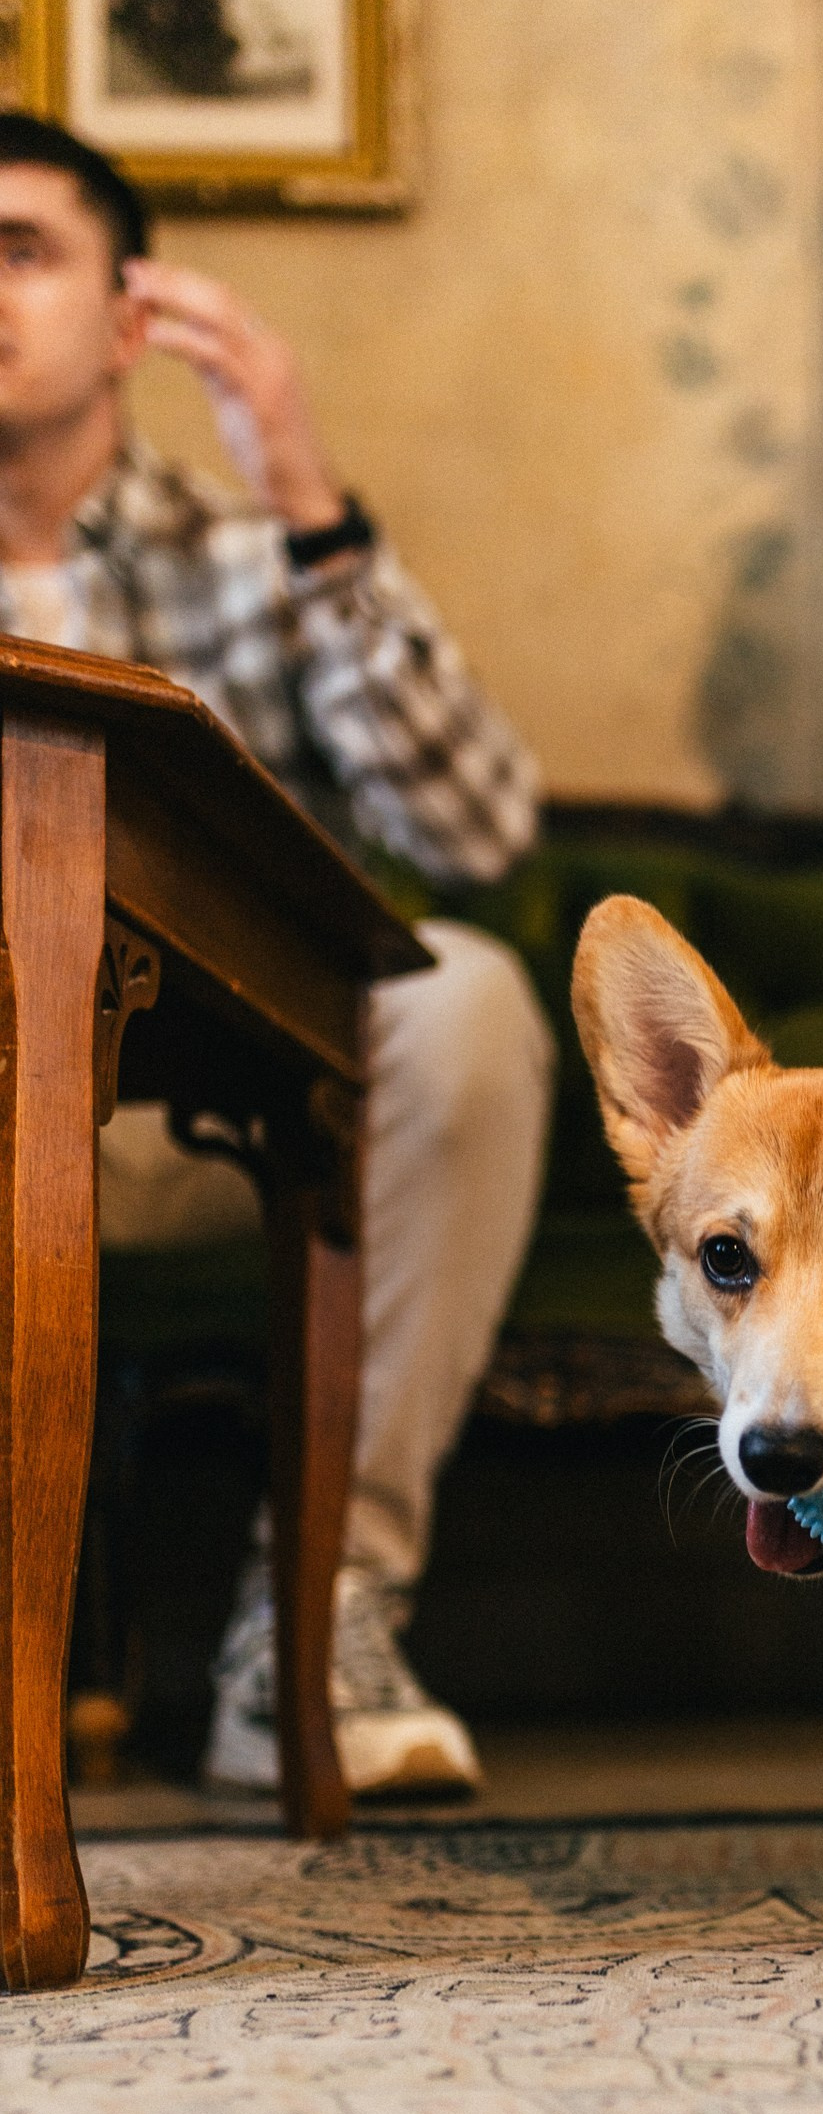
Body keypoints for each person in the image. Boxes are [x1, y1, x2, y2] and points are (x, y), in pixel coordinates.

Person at [0, 111, 553, 1797]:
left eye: (21, 252)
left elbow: (477, 832)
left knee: (463, 996)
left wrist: (307, 494)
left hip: (204, 1115)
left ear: (129, 316)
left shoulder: (252, 558)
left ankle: (318, 1619)